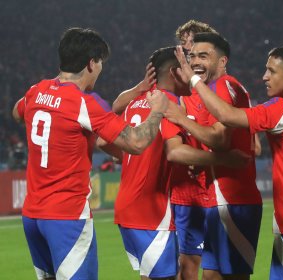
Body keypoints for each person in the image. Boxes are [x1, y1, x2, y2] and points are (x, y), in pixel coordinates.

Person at [173, 45, 283, 279]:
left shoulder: (282, 109)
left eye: (271, 71)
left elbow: (227, 115)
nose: (264, 76)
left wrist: (193, 79)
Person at [12, 27, 168, 280]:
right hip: (67, 217)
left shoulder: (36, 91)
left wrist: (139, 88)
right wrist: (159, 110)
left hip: (32, 216)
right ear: (91, 63)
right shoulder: (84, 103)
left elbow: (16, 112)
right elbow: (137, 143)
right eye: (101, 62)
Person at [97, 46, 247, 280]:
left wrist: (136, 160)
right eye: (185, 67)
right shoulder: (167, 103)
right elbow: (175, 153)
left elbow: (101, 141)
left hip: (127, 208)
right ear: (174, 72)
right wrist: (224, 159)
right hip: (152, 212)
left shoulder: (136, 102)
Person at [166, 32, 262, 280]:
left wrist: (178, 119)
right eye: (192, 56)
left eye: (204, 56)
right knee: (211, 276)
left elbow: (220, 139)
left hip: (233, 200)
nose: (196, 61)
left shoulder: (223, 86)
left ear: (222, 61)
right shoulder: (224, 88)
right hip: (218, 198)